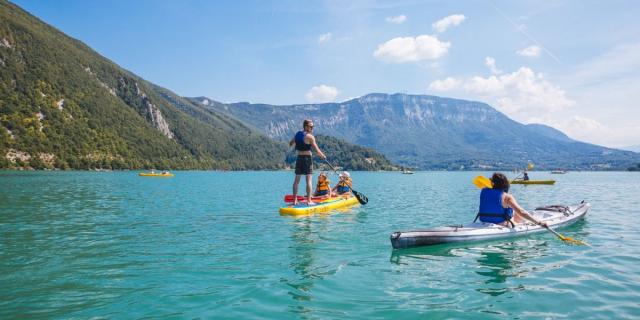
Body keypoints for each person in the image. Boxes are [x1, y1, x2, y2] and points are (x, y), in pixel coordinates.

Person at [475, 172, 547, 228]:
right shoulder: (507, 196)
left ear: (492, 183)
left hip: (484, 220)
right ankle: (523, 222)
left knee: (512, 209)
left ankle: (523, 221)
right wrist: (539, 222)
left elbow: (492, 189)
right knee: (515, 211)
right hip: (501, 223)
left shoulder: (483, 190)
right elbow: (522, 212)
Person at [289, 119, 326, 205]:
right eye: (311, 126)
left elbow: (291, 143)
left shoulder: (298, 133)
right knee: (308, 180)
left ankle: (294, 201)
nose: (312, 128)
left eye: (313, 126)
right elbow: (317, 150)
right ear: (306, 126)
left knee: (296, 180)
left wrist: (298, 143)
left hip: (299, 158)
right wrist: (323, 156)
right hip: (307, 159)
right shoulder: (310, 136)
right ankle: (309, 201)